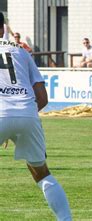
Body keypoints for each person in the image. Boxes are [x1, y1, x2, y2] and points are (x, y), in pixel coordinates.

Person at [0, 12, 72, 221]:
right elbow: (42, 97)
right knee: (42, 173)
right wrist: (20, 117)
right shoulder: (22, 52)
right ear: (3, 28)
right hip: (28, 113)